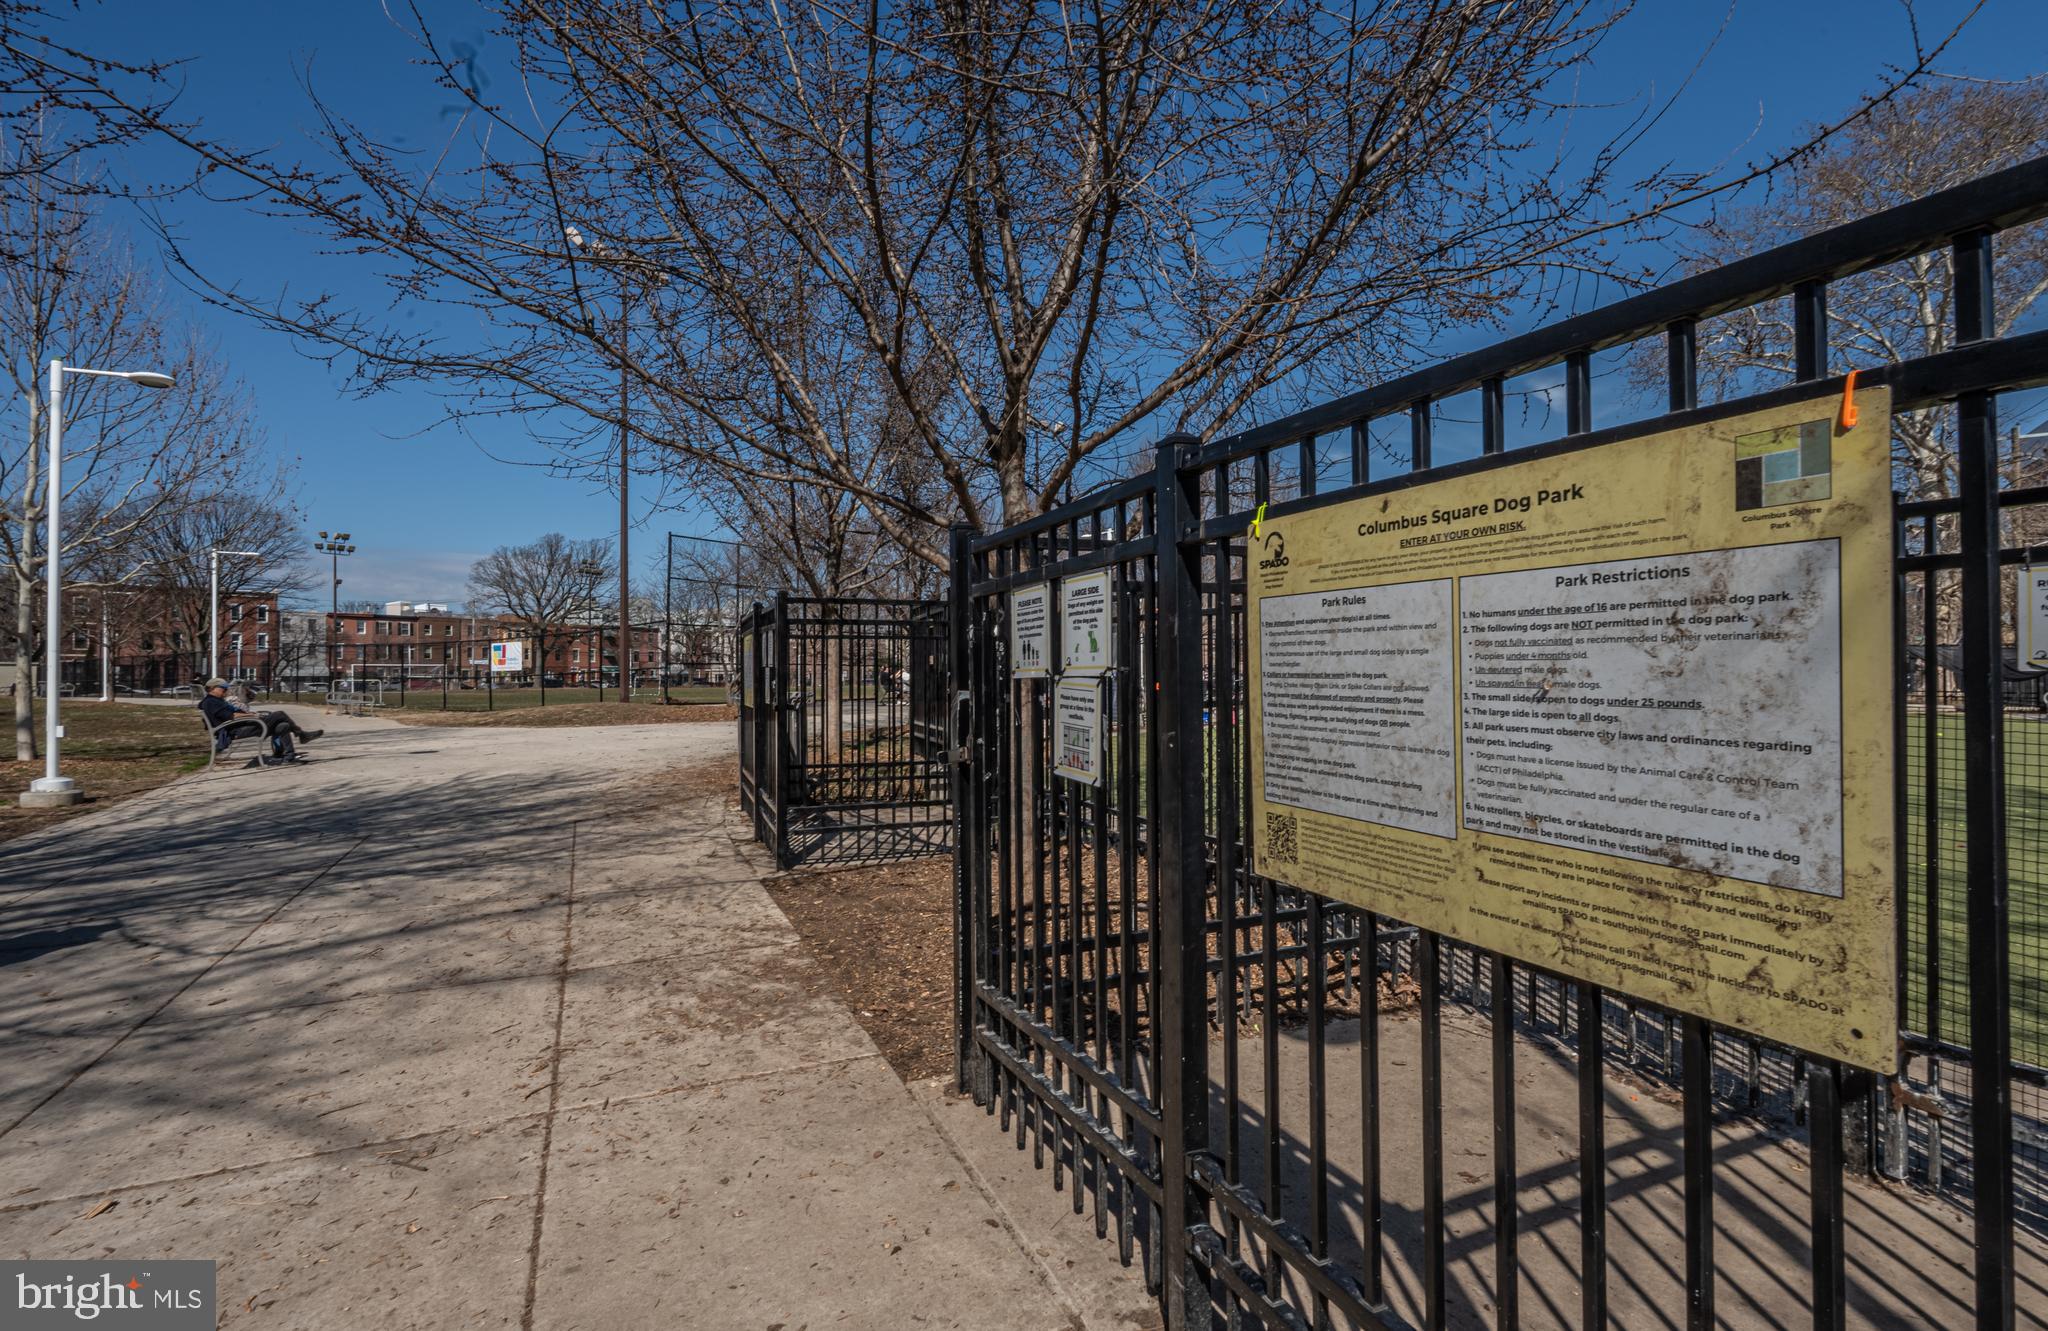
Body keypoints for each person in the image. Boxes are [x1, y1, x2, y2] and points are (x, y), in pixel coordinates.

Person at [197, 679, 323, 764]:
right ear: (213, 688)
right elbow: (232, 716)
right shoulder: (211, 702)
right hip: (236, 730)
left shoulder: (215, 700)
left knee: (283, 724)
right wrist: (253, 717)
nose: (225, 691)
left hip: (242, 726)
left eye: (226, 688)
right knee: (280, 714)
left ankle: (288, 756)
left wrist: (250, 714)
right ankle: (301, 734)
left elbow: (232, 714)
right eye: (223, 688)